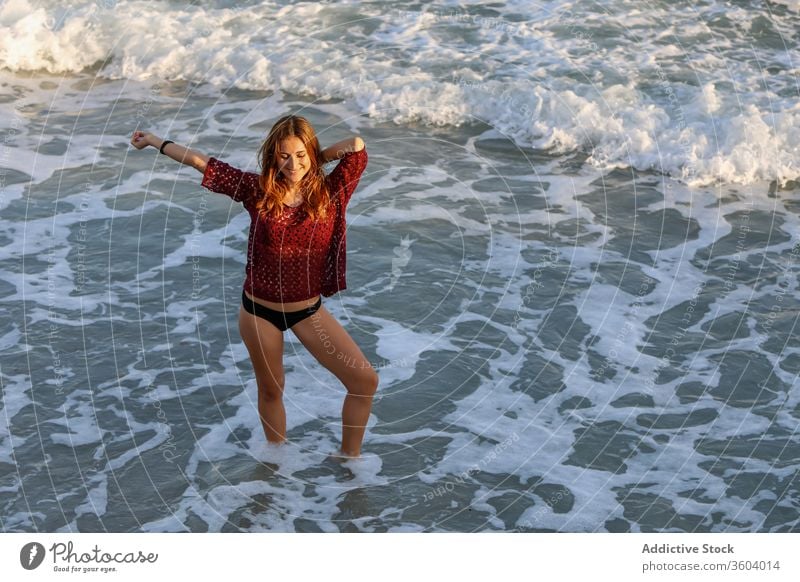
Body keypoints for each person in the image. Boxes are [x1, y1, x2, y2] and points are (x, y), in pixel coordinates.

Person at [130, 115, 378, 458]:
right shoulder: (258, 190)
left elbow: (357, 148)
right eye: (284, 157)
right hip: (259, 313)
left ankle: (349, 464)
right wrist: (155, 140)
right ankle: (276, 464)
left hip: (307, 311)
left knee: (364, 382)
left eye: (301, 155)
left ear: (312, 152)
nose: (293, 164)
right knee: (272, 391)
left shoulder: (330, 192)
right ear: (273, 158)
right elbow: (203, 163)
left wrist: (314, 159)